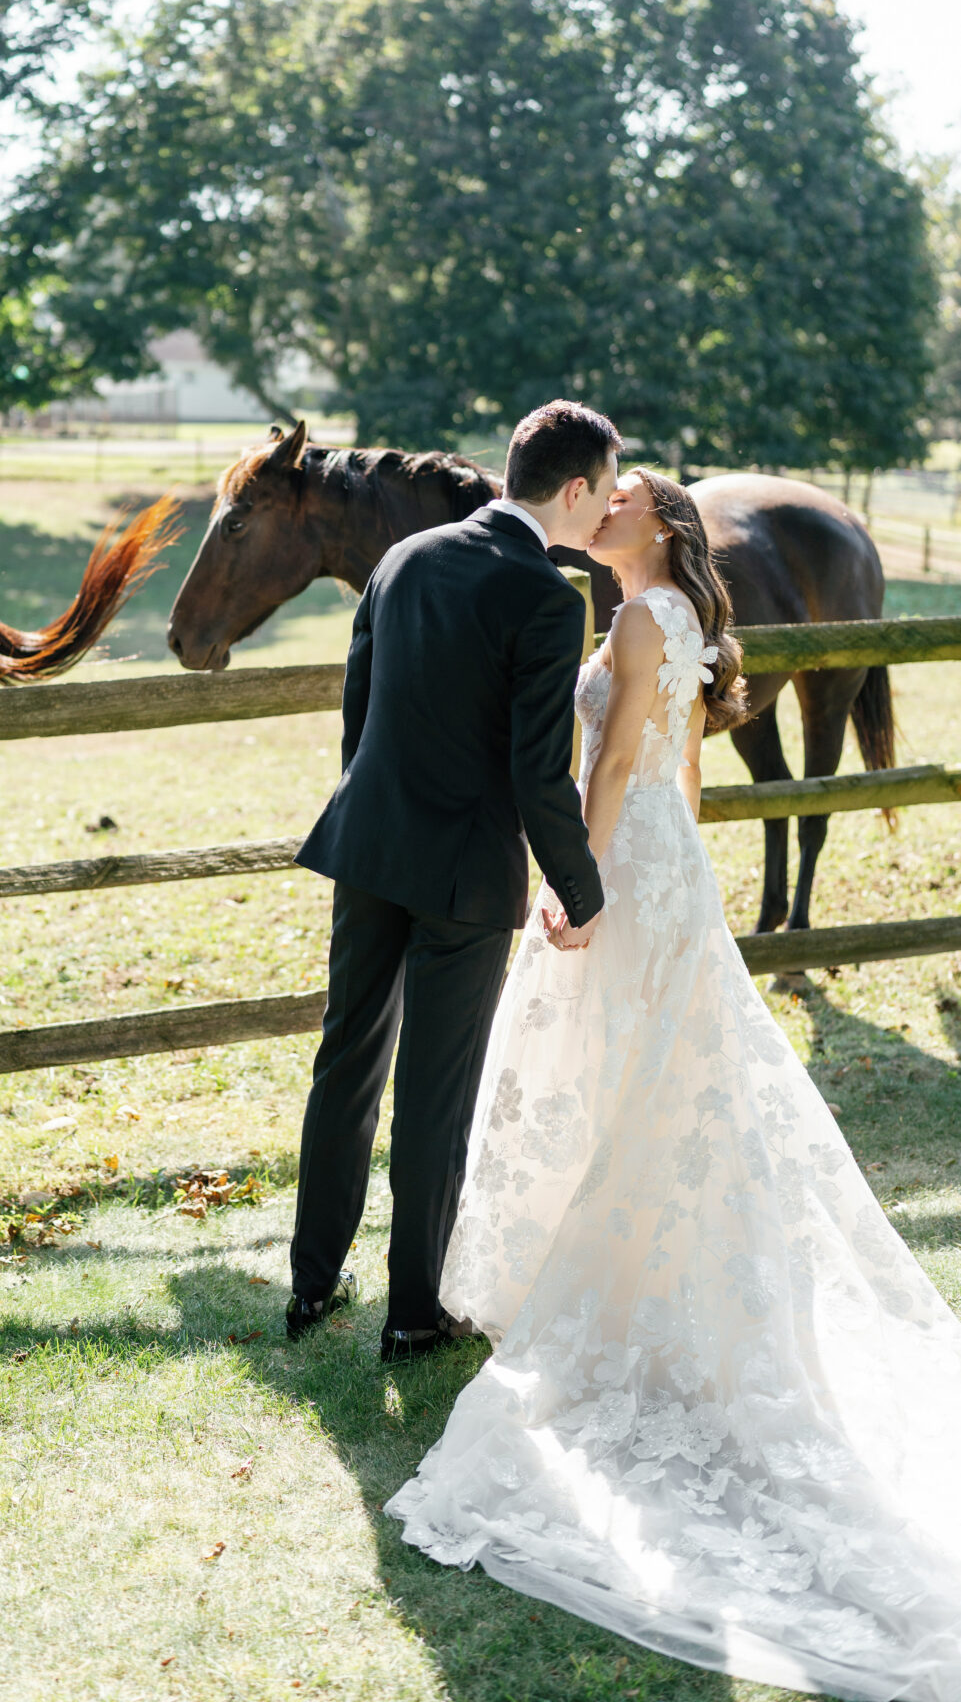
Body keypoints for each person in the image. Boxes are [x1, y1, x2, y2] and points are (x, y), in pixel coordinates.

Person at [387, 470, 961, 1700]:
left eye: (614, 504)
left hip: (627, 866)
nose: (591, 517)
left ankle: (631, 1284)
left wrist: (582, 887)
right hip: (668, 861)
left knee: (637, 1074)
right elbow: (683, 766)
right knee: (654, 1079)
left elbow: (608, 776)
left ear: (642, 527)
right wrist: (671, 866)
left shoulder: (645, 620)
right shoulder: (658, 615)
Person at [285, 400, 621, 1360]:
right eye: (602, 489)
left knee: (345, 1061)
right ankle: (411, 1312)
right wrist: (582, 891)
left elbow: (360, 709)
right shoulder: (549, 599)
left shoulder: (405, 559)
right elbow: (535, 770)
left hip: (368, 843)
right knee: (435, 1092)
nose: (602, 511)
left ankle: (311, 1285)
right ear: (572, 488)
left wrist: (371, 811)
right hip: (464, 873)